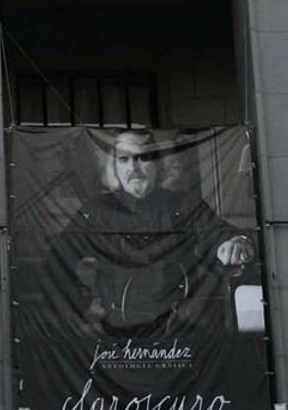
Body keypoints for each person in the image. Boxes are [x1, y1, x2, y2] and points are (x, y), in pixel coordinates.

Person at [60, 129, 257, 339]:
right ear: (114, 167)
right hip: (114, 330)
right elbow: (58, 260)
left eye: (143, 158)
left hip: (179, 327)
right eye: (124, 159)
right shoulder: (96, 210)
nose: (133, 168)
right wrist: (79, 312)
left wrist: (237, 243)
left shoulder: (184, 204)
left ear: (158, 165)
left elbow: (220, 235)